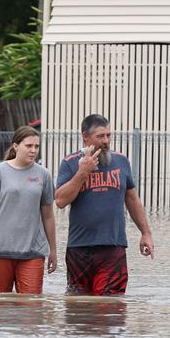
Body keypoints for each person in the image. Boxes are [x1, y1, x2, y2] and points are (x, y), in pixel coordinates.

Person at [55, 114, 154, 296]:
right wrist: (82, 172)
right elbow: (60, 201)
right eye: (100, 136)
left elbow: (132, 199)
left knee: (110, 306)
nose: (106, 141)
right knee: (79, 310)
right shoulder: (69, 163)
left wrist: (145, 233)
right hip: (79, 248)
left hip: (113, 246)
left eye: (108, 135)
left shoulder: (121, 161)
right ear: (85, 137)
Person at [0, 125, 56, 294]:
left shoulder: (43, 175)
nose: (33, 150)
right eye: (29, 146)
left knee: (31, 308)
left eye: (36, 146)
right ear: (15, 146)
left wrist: (53, 250)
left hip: (33, 252)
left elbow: (48, 216)